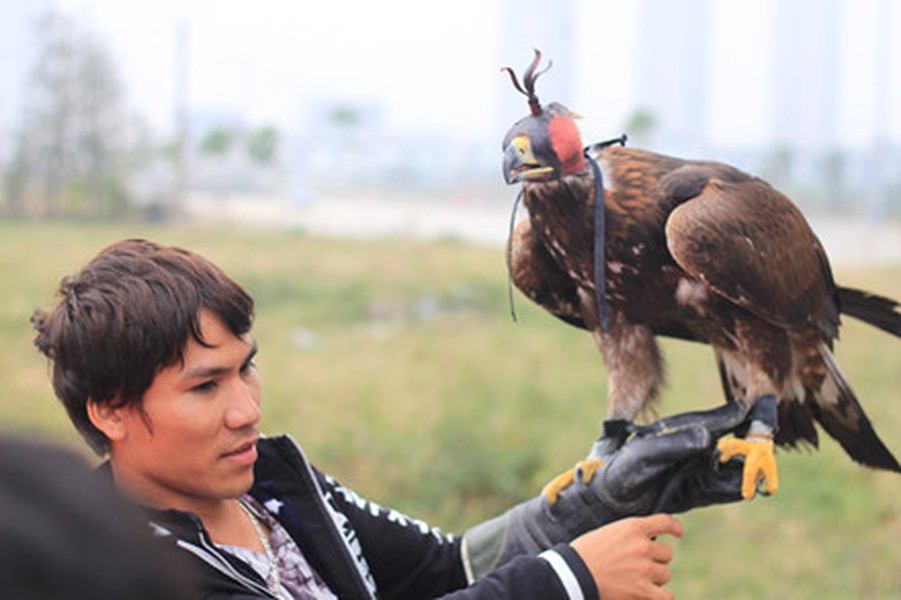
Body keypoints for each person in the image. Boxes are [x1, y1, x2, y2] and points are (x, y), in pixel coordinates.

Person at [32, 238, 759, 599]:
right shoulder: (108, 564)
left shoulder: (276, 488)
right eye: (205, 387)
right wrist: (566, 581)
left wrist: (597, 502)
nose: (246, 409)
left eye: (246, 367)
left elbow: (446, 570)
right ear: (111, 411)